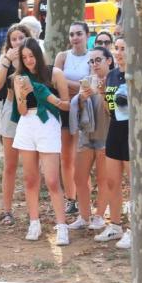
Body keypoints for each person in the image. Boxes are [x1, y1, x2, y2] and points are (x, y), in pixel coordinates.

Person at [9, 38, 70, 245]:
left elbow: (66, 106)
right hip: (27, 125)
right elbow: (22, 110)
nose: (28, 61)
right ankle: (34, 222)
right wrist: (23, 96)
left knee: (52, 180)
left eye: (31, 56)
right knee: (30, 179)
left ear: (38, 54)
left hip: (49, 125)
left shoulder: (54, 74)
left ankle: (62, 226)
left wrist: (50, 98)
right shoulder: (18, 78)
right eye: (24, 57)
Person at [67, 45, 112, 233]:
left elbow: (115, 109)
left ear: (108, 60)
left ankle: (100, 216)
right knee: (79, 177)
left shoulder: (114, 80)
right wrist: (81, 99)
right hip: (87, 135)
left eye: (98, 60)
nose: (94, 64)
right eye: (91, 61)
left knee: (103, 178)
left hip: (106, 135)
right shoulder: (86, 81)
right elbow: (75, 107)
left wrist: (101, 92)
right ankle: (84, 216)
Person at [94, 37, 132, 249]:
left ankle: (136, 229)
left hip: (132, 132)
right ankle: (115, 225)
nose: (118, 52)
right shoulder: (112, 76)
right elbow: (110, 110)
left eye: (123, 49)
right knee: (112, 181)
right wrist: (102, 93)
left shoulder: (138, 75)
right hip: (115, 129)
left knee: (133, 184)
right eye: (116, 48)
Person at [0, 24, 31, 226]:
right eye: (14, 39)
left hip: (31, 111)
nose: (17, 42)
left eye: (21, 38)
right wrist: (7, 60)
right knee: (10, 165)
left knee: (30, 165)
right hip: (10, 110)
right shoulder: (4, 60)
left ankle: (33, 212)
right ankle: (6, 210)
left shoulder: (33, 57)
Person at [53, 22, 92, 218]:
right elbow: (53, 79)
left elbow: (89, 87)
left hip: (85, 111)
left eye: (78, 34)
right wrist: (77, 87)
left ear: (87, 35)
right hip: (64, 110)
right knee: (66, 157)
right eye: (71, 34)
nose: (75, 37)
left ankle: (86, 198)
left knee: (82, 158)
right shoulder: (62, 56)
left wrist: (65, 84)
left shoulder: (92, 57)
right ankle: (71, 199)